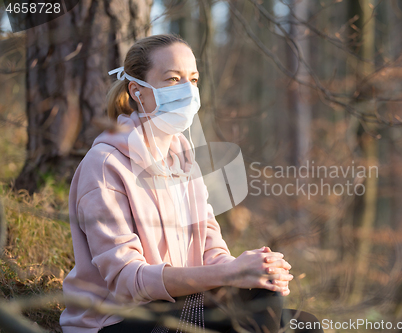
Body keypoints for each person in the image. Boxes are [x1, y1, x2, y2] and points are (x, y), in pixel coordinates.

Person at [60, 34, 322, 333]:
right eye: (173, 79)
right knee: (256, 321)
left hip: (179, 304)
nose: (187, 90)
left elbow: (212, 252)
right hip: (118, 319)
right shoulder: (106, 165)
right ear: (137, 91)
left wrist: (254, 271)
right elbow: (127, 282)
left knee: (301, 322)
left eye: (193, 80)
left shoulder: (184, 161)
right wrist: (230, 273)